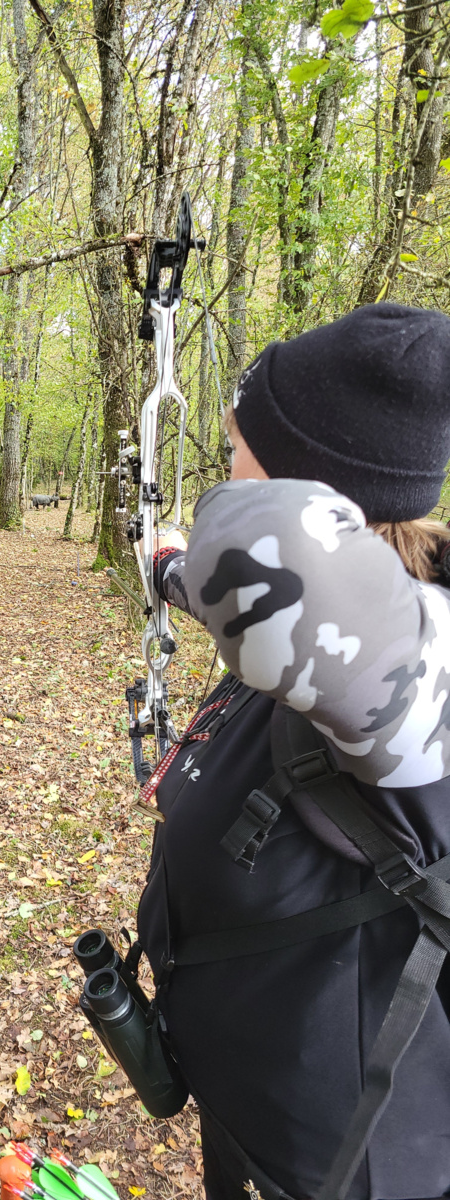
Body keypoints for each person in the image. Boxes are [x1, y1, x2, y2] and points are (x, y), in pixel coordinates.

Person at [137, 303, 450, 1200]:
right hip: (259, 1101)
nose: (227, 470)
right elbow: (252, 585)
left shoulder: (424, 662)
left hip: (345, 1158)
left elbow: (249, 550)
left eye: (240, 448)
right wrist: (171, 571)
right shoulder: (341, 646)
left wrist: (189, 560)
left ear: (306, 483)